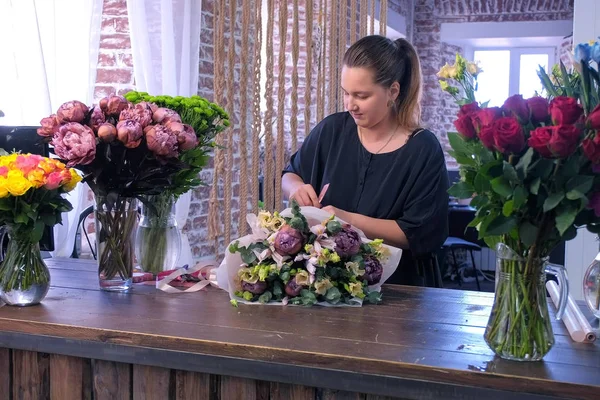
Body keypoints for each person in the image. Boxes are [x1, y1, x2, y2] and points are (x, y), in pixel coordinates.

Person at [282, 35, 449, 287]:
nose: (350, 105)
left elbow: (416, 234)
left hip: (400, 288)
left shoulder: (422, 148)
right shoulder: (332, 130)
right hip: (327, 283)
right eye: (346, 93)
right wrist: (296, 188)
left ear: (393, 91)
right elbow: (290, 174)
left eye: (361, 95)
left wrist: (345, 219)